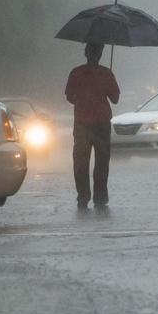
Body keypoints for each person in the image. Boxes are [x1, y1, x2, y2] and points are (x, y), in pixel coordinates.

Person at [65, 42, 120, 211]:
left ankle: (83, 197)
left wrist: (81, 102)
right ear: (101, 54)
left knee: (80, 162)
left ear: (86, 53)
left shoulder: (76, 73)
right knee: (102, 162)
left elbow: (69, 96)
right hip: (102, 124)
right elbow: (115, 98)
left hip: (82, 123)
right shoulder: (106, 73)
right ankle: (100, 197)